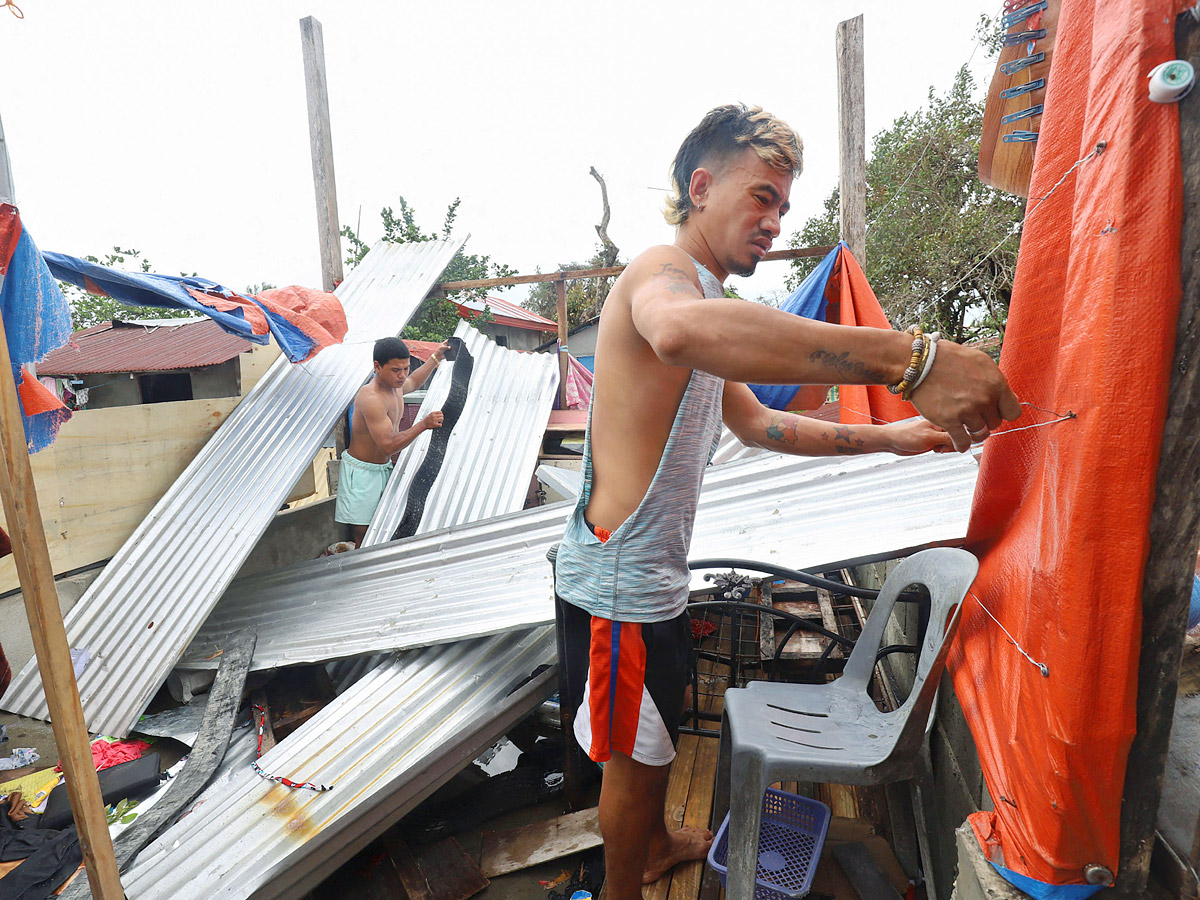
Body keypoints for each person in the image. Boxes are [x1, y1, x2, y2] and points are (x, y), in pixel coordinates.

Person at [552, 104, 1020, 900]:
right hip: (617, 590)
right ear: (700, 186)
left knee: (656, 741)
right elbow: (675, 331)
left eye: (785, 206)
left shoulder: (706, 301)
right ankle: (625, 886)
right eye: (762, 195)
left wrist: (891, 437)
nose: (775, 220)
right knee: (632, 763)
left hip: (655, 579)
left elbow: (760, 423)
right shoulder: (662, 276)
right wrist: (911, 359)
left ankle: (660, 840)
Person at [335, 337, 448, 546]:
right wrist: (423, 424)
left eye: (405, 368)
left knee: (385, 529)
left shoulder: (395, 386)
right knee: (364, 535)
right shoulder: (371, 398)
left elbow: (414, 382)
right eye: (396, 370)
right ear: (377, 366)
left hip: (383, 468)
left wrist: (435, 358)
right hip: (362, 474)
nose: (402, 375)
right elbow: (387, 444)